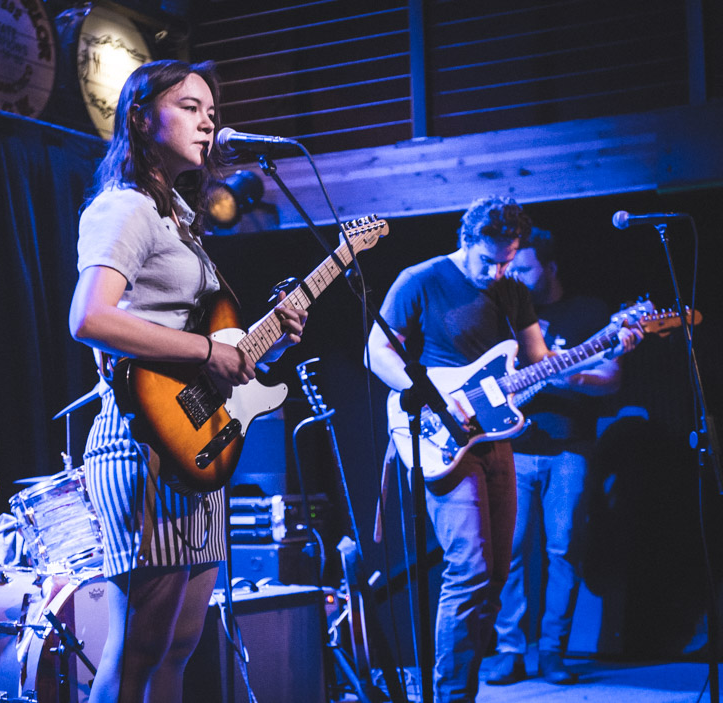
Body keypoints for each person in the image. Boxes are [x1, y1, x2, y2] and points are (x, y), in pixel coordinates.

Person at [68, 60, 307, 703]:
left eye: (212, 110)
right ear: (142, 119)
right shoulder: (124, 208)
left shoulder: (179, 220)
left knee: (179, 645)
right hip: (140, 445)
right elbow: (89, 317)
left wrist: (269, 335)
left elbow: (206, 353)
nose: (210, 121)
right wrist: (206, 349)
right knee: (140, 647)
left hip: (193, 445)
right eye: (192, 107)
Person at [365, 198, 638, 702]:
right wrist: (426, 393)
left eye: (508, 259)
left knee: (491, 577)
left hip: (494, 440)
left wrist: (606, 345)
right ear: (465, 241)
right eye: (488, 260)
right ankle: (449, 696)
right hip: (440, 437)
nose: (498, 270)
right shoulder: (419, 279)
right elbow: (377, 350)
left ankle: (463, 689)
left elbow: (539, 361)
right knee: (469, 569)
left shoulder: (512, 291)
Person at [486, 227, 632, 685]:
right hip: (512, 446)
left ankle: (553, 651)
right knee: (506, 553)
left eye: (525, 268)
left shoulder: (589, 313)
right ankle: (510, 650)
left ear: (549, 268)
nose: (518, 277)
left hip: (570, 448)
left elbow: (611, 378)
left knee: (564, 548)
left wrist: (569, 377)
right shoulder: (506, 316)